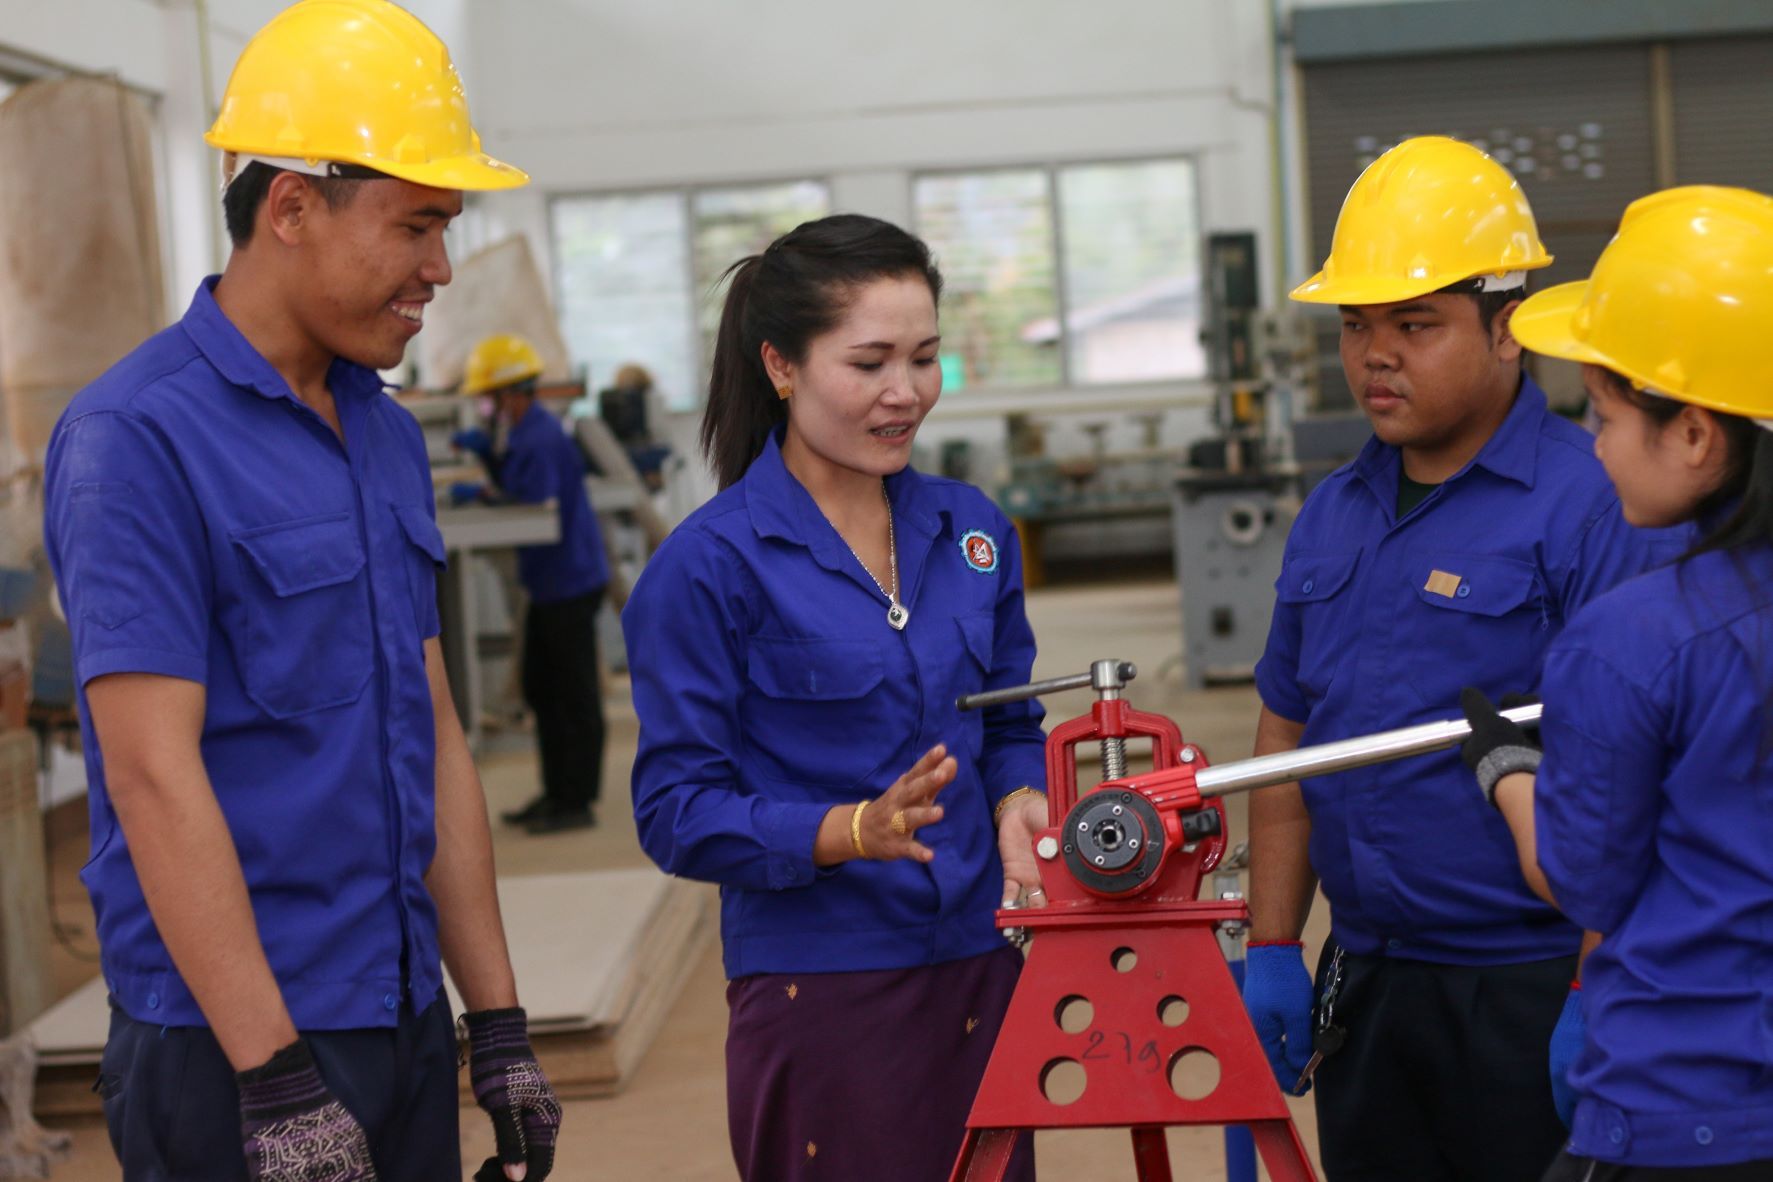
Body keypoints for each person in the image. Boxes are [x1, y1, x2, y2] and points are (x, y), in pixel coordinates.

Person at [42, 3, 559, 1179]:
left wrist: (500, 1027)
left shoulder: (378, 429)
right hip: (232, 1043)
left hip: (397, 1002)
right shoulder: (137, 438)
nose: (439, 268)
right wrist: (274, 1076)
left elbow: (431, 734)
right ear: (290, 206)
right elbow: (151, 773)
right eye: (417, 225)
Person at [1241, 136, 1678, 1180]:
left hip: (1529, 983)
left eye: (1415, 324)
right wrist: (1270, 947)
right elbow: (1286, 739)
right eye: (1356, 326)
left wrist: (1596, 992)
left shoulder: (1594, 505)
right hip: (1372, 979)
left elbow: (1647, 775)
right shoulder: (1331, 517)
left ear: (1508, 329)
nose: (1374, 354)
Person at [621, 214, 1049, 1182]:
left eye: (927, 358)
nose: (906, 393)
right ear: (781, 365)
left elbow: (1013, 718)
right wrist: (849, 830)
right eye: (870, 363)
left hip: (982, 965)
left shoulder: (971, 532)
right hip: (824, 985)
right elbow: (676, 812)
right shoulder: (710, 567)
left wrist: (1022, 796)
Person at [1461, 185, 1773, 1181]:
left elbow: (1584, 877)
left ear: (1694, 434)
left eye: (1602, 414)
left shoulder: (1628, 640)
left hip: (1684, 1106)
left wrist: (1507, 764)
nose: (1592, 446)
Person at [452, 333, 611, 834]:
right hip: (551, 583)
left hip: (569, 582)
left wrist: (479, 491)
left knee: (573, 695)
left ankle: (576, 800)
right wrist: (492, 463)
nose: (486, 408)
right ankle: (556, 791)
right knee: (543, 691)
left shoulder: (539, 436)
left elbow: (530, 504)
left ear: (510, 394)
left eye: (488, 398)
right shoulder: (526, 430)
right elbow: (518, 484)